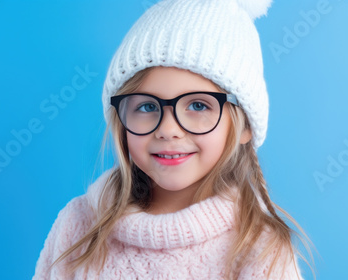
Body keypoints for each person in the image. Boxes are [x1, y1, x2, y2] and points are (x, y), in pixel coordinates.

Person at [33, 0, 313, 279]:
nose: (168, 129)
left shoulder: (261, 250)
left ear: (244, 126)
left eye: (199, 106)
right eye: (147, 106)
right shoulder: (78, 225)